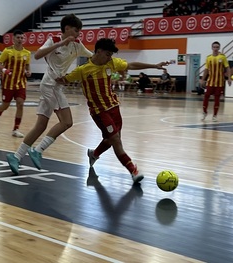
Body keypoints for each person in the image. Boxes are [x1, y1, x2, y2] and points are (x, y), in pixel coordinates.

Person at [56, 38, 168, 183]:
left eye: (111, 55)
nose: (110, 58)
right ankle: (133, 170)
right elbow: (65, 80)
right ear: (99, 51)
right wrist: (54, 76)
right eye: (107, 54)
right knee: (115, 140)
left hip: (114, 108)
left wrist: (155, 65)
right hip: (99, 111)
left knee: (110, 140)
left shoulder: (111, 63)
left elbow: (131, 65)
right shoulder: (83, 70)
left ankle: (94, 154)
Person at [6, 14, 92, 175]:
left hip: (56, 86)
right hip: (50, 85)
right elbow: (37, 55)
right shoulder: (53, 40)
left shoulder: (77, 45)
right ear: (66, 29)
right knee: (67, 122)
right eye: (76, 30)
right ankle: (38, 150)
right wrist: (60, 43)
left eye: (80, 31)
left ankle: (16, 157)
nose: (79, 33)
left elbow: (93, 57)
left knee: (41, 125)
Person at [0, 30, 32, 137]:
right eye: (18, 37)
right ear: (13, 39)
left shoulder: (27, 53)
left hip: (21, 83)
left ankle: (16, 129)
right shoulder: (7, 51)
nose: (20, 40)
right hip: (8, 84)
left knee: (20, 103)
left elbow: (27, 66)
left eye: (21, 38)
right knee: (5, 105)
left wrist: (28, 72)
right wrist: (4, 70)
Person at [200, 41, 231, 122]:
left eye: (217, 47)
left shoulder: (223, 57)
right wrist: (203, 79)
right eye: (214, 47)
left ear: (219, 48)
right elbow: (206, 69)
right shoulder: (208, 58)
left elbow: (227, 68)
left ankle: (215, 115)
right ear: (212, 48)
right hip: (210, 81)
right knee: (206, 96)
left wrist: (229, 78)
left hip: (219, 82)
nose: (215, 49)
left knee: (217, 98)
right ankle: (204, 112)